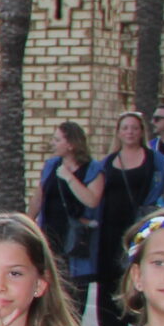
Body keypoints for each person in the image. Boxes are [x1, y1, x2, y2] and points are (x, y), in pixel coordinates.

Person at [82, 111, 163, 326]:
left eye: (134, 128)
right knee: (109, 284)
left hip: (140, 229)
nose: (130, 132)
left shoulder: (155, 161)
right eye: (125, 128)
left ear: (141, 132)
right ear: (118, 132)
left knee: (138, 278)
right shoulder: (107, 162)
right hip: (109, 231)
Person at [33, 121, 101, 315]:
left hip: (76, 239)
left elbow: (92, 200)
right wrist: (29, 221)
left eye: (57, 139)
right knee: (49, 292)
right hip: (50, 233)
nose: (53, 143)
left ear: (71, 143)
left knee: (74, 296)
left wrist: (70, 178)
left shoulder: (92, 169)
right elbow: (39, 196)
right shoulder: (51, 165)